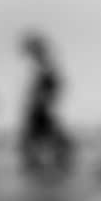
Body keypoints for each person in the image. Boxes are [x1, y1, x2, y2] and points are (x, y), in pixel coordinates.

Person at [18, 32, 73, 174]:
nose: (30, 55)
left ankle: (56, 164)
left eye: (33, 50)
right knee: (36, 139)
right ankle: (49, 164)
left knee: (39, 139)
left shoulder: (46, 68)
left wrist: (44, 100)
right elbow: (55, 85)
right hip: (39, 109)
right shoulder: (43, 67)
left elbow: (54, 85)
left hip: (41, 109)